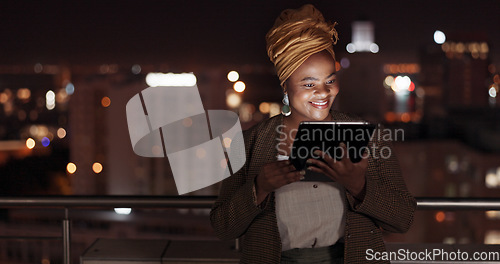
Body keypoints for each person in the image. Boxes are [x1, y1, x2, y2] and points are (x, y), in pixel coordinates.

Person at [210, 4, 416, 264]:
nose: (323, 92)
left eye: (330, 81)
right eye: (309, 84)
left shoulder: (366, 138)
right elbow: (223, 227)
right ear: (286, 86)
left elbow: (404, 219)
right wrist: (259, 188)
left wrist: (358, 185)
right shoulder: (250, 143)